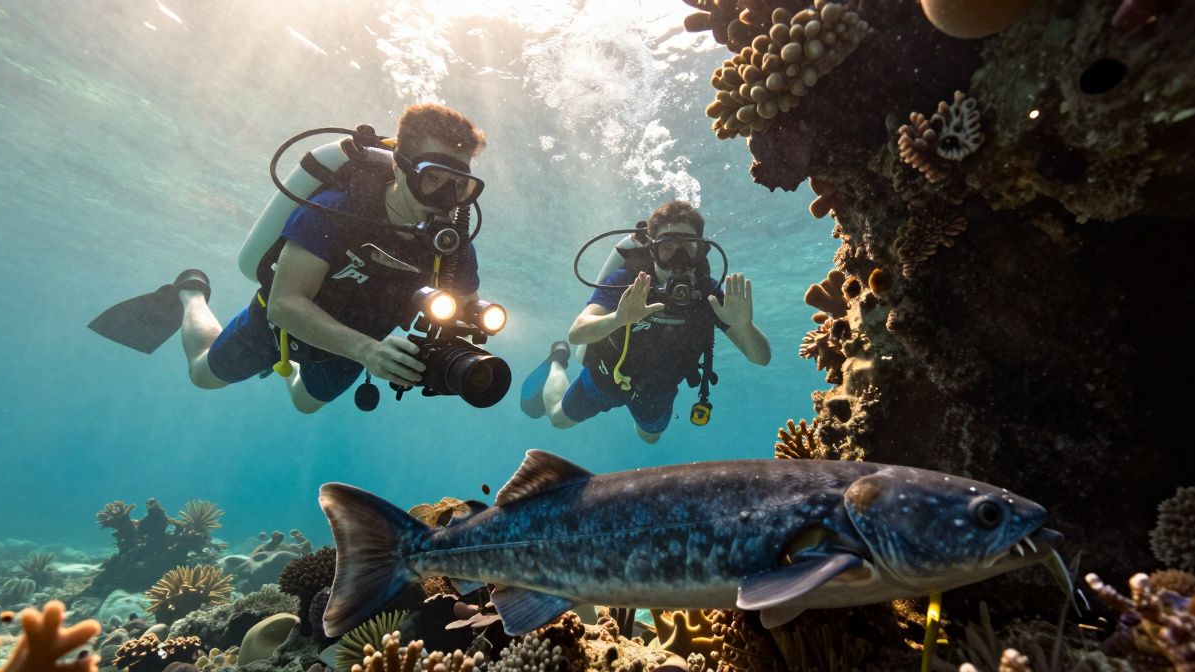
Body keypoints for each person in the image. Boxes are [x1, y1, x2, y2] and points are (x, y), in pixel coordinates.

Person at [89, 104, 489, 413]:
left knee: (304, 402)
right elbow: (284, 305)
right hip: (279, 330)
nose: (445, 199)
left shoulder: (453, 249)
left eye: (459, 186)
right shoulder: (336, 211)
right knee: (203, 374)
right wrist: (367, 352)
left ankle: (291, 366)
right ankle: (191, 292)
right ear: (400, 167)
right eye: (432, 178)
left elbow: (465, 313)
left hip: (356, 347)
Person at [525, 200, 771, 443]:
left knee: (650, 438)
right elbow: (576, 333)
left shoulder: (709, 295)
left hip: (657, 393)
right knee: (557, 418)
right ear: (653, 250)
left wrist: (745, 327)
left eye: (688, 247)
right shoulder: (626, 282)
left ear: (701, 250)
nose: (679, 259)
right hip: (606, 379)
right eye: (667, 247)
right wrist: (617, 319)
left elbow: (761, 358)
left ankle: (638, 415)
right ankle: (557, 360)